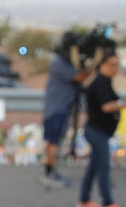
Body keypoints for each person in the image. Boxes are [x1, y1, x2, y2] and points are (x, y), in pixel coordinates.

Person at [75, 52, 126, 207]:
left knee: (94, 167)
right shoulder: (100, 82)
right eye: (112, 64)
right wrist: (125, 104)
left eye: (117, 64)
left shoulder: (105, 82)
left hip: (100, 130)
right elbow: (106, 107)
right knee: (104, 168)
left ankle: (84, 200)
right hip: (97, 131)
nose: (115, 68)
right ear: (101, 65)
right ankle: (108, 203)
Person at [38, 35, 91, 188]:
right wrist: (93, 66)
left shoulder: (60, 62)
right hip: (58, 109)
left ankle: (49, 169)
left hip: (55, 108)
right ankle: (50, 173)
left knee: (51, 142)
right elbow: (80, 78)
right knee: (54, 142)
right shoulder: (61, 63)